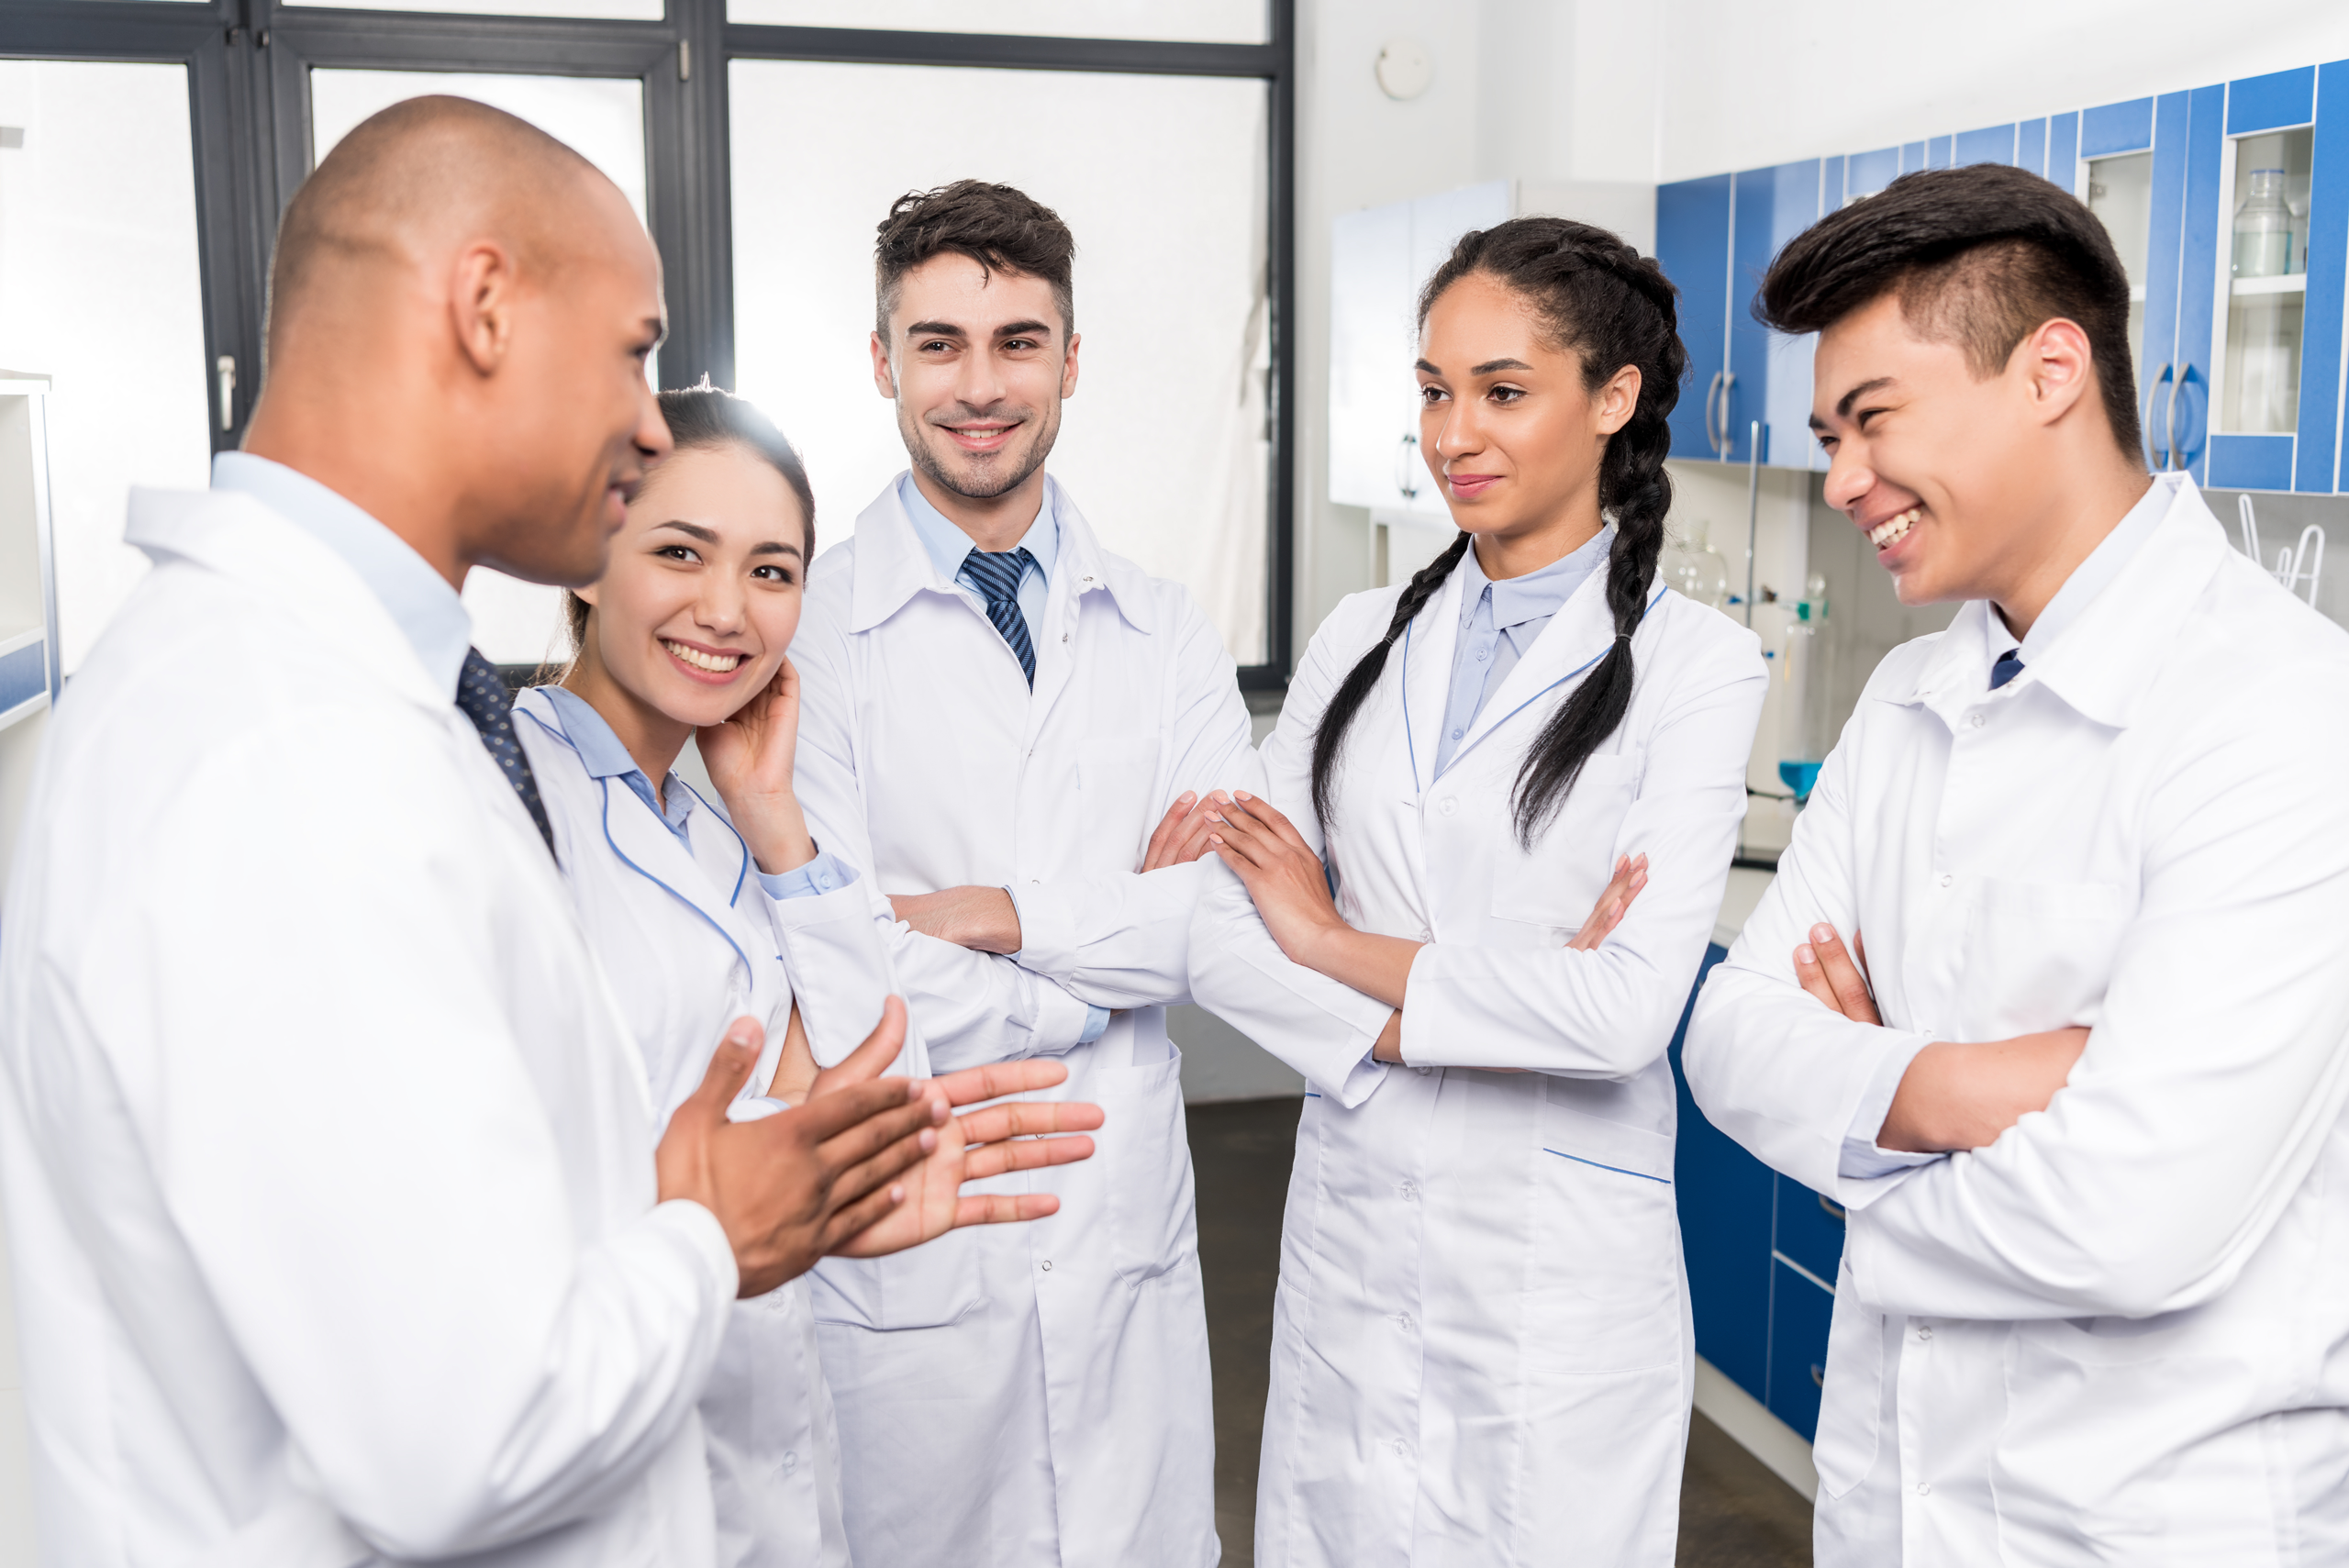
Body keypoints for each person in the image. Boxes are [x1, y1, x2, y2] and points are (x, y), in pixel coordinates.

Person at [0, 97, 1017, 1566]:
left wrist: (719, 1202)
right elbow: (460, 1434)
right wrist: (710, 1230)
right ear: (484, 304)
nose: (652, 417)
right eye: (633, 351)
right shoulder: (286, 749)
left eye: (771, 569)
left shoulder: (359, 709)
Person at [1683, 162, 2349, 1564]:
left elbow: (2130, 1221)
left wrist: (1858, 1132)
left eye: (1873, 420)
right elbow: (1732, 1046)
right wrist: (1972, 1086)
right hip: (1889, 1494)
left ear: (2051, 370)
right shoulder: (1910, 697)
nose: (1843, 479)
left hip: (2154, 1517)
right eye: (1825, 433)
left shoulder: (2282, 709)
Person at [1186, 217, 1766, 1566]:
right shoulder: (1359, 638)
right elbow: (1222, 932)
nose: (1456, 432)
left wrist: (1328, 939)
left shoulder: (1696, 669)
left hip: (1554, 1270)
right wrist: (1465, 1003)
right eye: (1437, 390)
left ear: (1612, 399)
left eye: (1503, 392)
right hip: (1355, 1224)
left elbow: (1622, 1018)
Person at [511, 381, 1103, 1568]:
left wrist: (777, 823)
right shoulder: (506, 812)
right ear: (585, 557)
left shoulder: (734, 822)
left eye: (773, 571)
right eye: (683, 552)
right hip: (583, 1451)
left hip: (770, 1434)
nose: (728, 611)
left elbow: (876, 1079)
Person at [786, 180, 1258, 1567]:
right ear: (882, 363)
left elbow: (1217, 926)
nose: (979, 386)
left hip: (1119, 1223)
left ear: (1069, 361)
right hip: (919, 1219)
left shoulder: (1166, 630)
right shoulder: (804, 627)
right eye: (938, 343)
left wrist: (998, 920)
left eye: (1017, 342)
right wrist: (1104, 968)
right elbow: (840, 963)